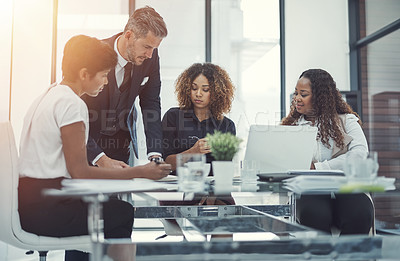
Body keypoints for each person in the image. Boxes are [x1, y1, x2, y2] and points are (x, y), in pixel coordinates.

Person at [18, 35, 171, 261]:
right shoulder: (72, 104)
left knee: (108, 206)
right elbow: (80, 172)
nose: (106, 82)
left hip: (30, 203)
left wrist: (114, 171)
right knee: (122, 212)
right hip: (48, 210)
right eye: (102, 76)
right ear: (84, 74)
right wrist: (140, 171)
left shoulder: (48, 95)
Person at [281, 68, 374, 235]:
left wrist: (318, 168)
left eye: (303, 94)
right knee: (315, 214)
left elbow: (359, 155)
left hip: (347, 186)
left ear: (320, 97)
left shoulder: (346, 121)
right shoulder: (291, 127)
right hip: (310, 188)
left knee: (360, 214)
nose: (297, 99)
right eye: (296, 93)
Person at [82, 6, 168, 169]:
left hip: (121, 144)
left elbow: (151, 103)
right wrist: (99, 157)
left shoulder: (150, 58)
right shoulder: (94, 53)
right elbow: (75, 113)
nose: (150, 55)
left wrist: (155, 154)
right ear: (128, 35)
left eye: (154, 49)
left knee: (119, 193)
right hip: (89, 146)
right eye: (147, 47)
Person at [161, 63, 236, 206]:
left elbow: (223, 170)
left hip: (213, 189)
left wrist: (211, 197)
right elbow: (166, 164)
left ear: (216, 93)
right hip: (178, 188)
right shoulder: (173, 117)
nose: (198, 93)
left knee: (228, 212)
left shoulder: (226, 125)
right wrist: (193, 152)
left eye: (205, 89)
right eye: (194, 88)